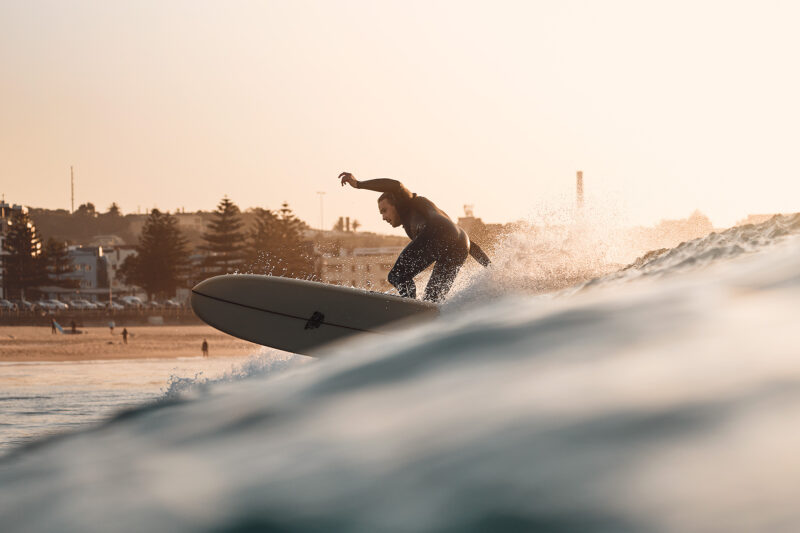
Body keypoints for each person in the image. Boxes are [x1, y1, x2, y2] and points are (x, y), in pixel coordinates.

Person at [339, 171, 491, 302]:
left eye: (384, 210)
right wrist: (493, 271)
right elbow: (465, 241)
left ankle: (409, 308)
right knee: (432, 300)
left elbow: (396, 185)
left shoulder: (407, 202)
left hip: (436, 234)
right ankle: (424, 314)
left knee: (396, 275)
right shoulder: (433, 213)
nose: (383, 217)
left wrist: (358, 183)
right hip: (460, 244)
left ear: (396, 203)